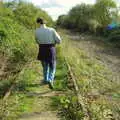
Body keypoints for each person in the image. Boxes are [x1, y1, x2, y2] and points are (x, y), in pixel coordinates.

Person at [35, 17, 61, 89]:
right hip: (51, 49)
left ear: (38, 23)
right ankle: (50, 79)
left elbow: (36, 41)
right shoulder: (51, 30)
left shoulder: (36, 31)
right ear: (45, 22)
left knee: (45, 66)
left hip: (42, 49)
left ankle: (45, 79)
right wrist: (55, 42)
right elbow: (59, 40)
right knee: (53, 66)